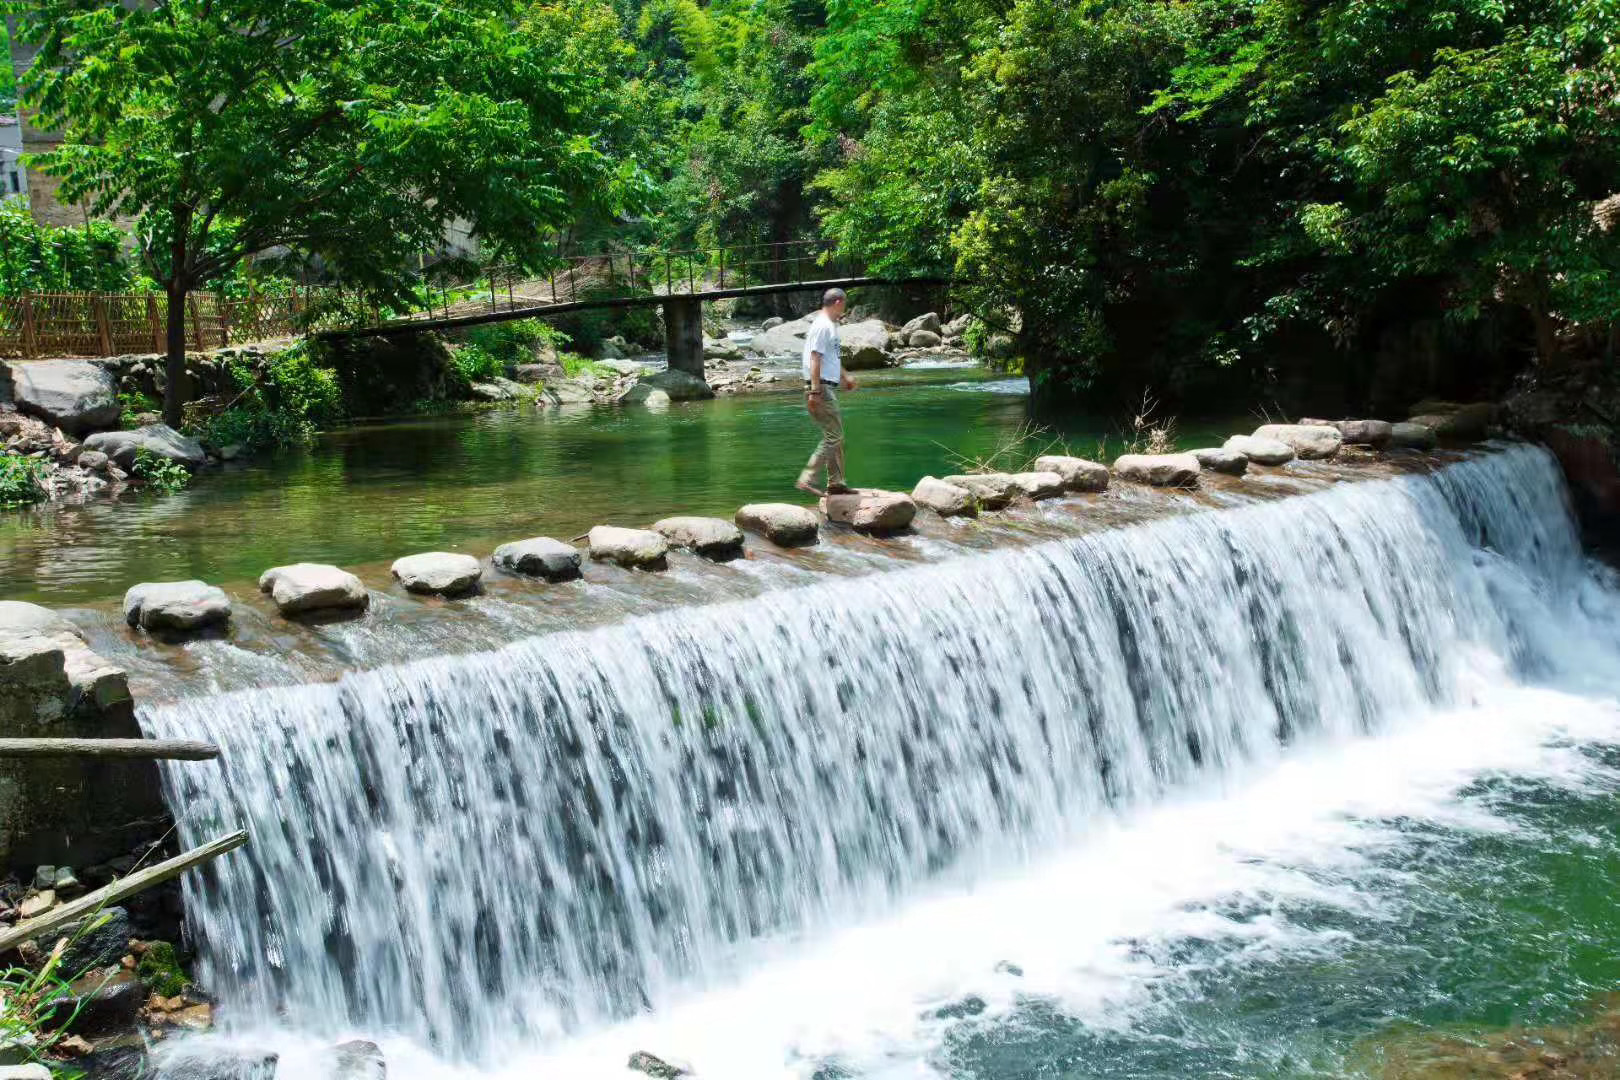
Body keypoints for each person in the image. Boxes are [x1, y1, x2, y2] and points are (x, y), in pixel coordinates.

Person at [798, 287, 857, 496]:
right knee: (834, 437)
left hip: (825, 385)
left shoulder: (830, 325)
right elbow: (815, 357)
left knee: (835, 436)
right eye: (845, 303)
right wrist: (814, 392)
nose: (845, 308)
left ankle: (836, 483)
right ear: (839, 302)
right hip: (821, 387)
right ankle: (807, 477)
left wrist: (844, 376)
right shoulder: (823, 325)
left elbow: (830, 358)